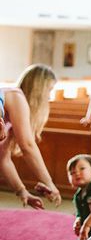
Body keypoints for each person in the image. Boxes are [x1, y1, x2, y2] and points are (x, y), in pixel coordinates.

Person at [0, 64, 61, 209]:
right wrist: (49, 182)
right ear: (39, 88)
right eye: (49, 90)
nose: (49, 96)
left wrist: (22, 191)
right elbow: (27, 146)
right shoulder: (16, 96)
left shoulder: (13, 102)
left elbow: (3, 158)